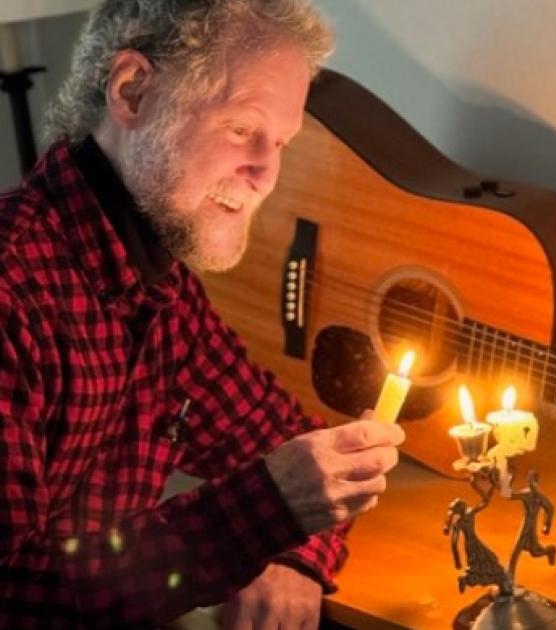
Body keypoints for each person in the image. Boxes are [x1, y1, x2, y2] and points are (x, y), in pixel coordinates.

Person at [0, 1, 405, 628]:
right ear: (133, 92)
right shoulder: (13, 289)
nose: (266, 173)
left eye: (282, 143)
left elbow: (298, 446)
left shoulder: (162, 288)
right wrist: (264, 515)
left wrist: (293, 553)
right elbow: (16, 598)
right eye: (242, 130)